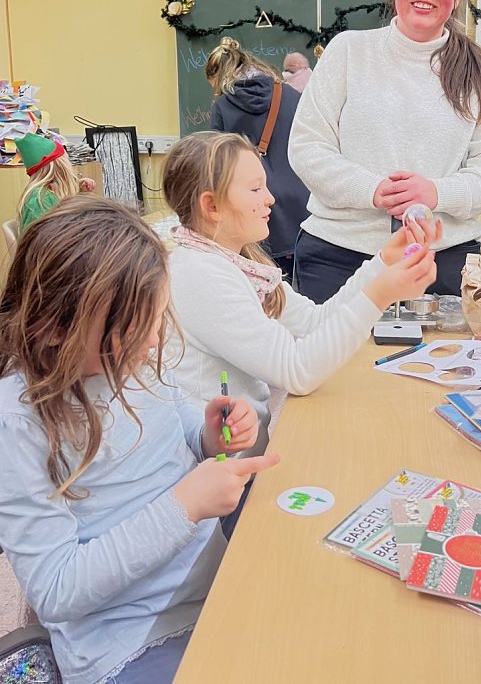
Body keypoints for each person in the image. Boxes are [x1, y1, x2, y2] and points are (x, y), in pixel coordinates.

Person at [0, 196, 279, 684]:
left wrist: (210, 436)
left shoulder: (131, 361)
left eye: (158, 317)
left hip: (215, 582)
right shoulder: (18, 423)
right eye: (134, 327)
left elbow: (178, 427)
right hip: (130, 640)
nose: (153, 340)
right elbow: (56, 589)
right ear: (57, 327)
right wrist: (185, 506)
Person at [163, 130, 440, 465]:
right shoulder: (201, 275)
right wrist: (381, 294)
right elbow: (297, 372)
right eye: (255, 189)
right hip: (221, 475)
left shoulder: (240, 264)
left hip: (246, 460)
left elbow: (313, 322)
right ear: (212, 206)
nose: (270, 198)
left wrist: (384, 261)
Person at [287, 0, 481, 303]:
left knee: (440, 347)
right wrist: (373, 189)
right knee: (334, 345)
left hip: (441, 260)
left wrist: (436, 192)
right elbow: (307, 147)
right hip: (338, 255)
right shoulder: (348, 52)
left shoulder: (479, 69)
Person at [205, 37, 309, 281]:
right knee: (295, 287)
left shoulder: (223, 104)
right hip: (300, 203)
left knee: (258, 283)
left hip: (251, 205)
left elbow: (215, 162)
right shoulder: (290, 94)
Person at [15, 131, 95, 231]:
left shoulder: (47, 193)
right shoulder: (40, 201)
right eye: (67, 160)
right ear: (61, 167)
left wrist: (78, 190)